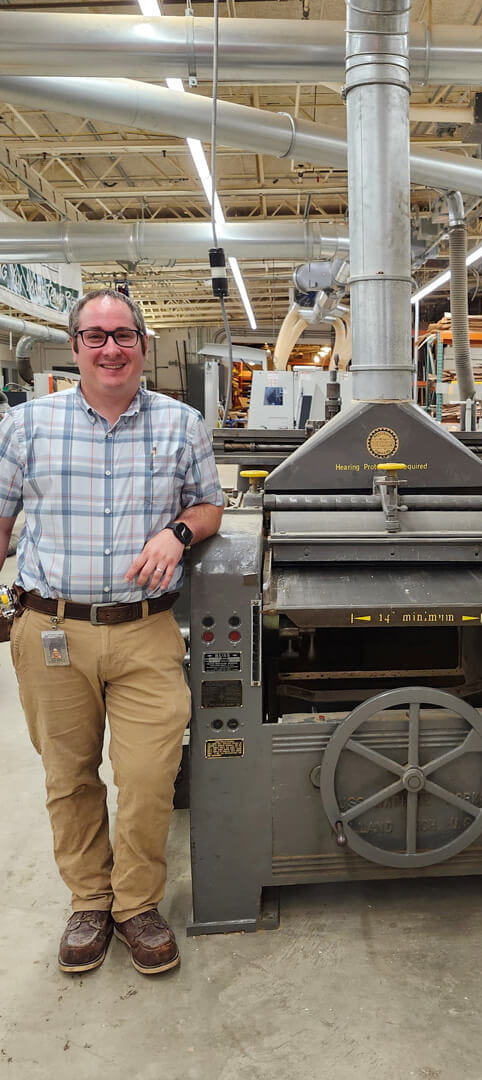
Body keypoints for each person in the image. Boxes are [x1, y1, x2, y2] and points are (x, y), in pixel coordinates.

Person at [0, 289, 224, 977]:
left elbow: (210, 505)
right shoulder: (26, 426)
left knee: (151, 776)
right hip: (51, 629)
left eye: (123, 335)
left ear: (143, 347)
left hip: (145, 630)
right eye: (95, 336)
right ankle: (90, 902)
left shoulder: (183, 425)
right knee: (69, 777)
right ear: (74, 348)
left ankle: (136, 905)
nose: (110, 348)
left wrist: (177, 532)